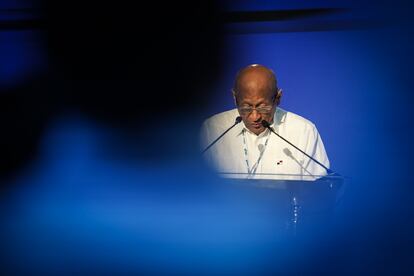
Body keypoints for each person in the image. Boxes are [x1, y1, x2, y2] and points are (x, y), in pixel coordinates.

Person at [201, 64, 330, 180]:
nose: (255, 117)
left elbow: (319, 190)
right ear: (235, 99)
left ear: (278, 98)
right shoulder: (213, 130)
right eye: (246, 108)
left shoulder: (303, 131)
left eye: (263, 107)